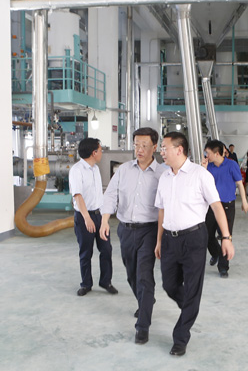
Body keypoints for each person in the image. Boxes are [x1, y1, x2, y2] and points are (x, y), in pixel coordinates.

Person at [155, 132, 235, 357]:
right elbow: (161, 211)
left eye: (164, 148)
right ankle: (190, 308)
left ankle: (180, 337)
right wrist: (159, 240)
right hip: (169, 239)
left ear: (179, 150)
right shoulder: (164, 177)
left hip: (193, 239)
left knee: (192, 288)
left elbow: (217, 206)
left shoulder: (201, 175)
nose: (161, 152)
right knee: (169, 285)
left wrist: (226, 238)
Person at [100, 128, 165, 345]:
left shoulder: (162, 174)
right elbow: (111, 194)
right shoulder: (124, 170)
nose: (139, 149)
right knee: (131, 275)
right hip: (126, 230)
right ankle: (146, 300)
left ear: (154, 147)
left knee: (144, 276)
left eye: (144, 145)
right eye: (136, 145)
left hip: (149, 230)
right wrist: (105, 220)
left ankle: (142, 326)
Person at [69, 138, 118, 297]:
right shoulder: (77, 170)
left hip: (99, 215)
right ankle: (86, 284)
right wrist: (86, 218)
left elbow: (99, 196)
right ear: (93, 152)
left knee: (106, 249)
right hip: (85, 217)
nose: (102, 153)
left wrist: (104, 219)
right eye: (100, 150)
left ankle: (106, 281)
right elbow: (78, 196)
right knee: (86, 252)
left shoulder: (95, 169)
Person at [201, 140, 248, 278]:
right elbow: (201, 183)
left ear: (216, 153)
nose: (206, 155)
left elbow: (239, 184)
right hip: (211, 206)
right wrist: (203, 169)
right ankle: (216, 252)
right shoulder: (208, 166)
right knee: (207, 234)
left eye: (208, 153)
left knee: (225, 236)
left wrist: (244, 201)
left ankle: (223, 267)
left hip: (227, 205)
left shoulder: (231, 165)